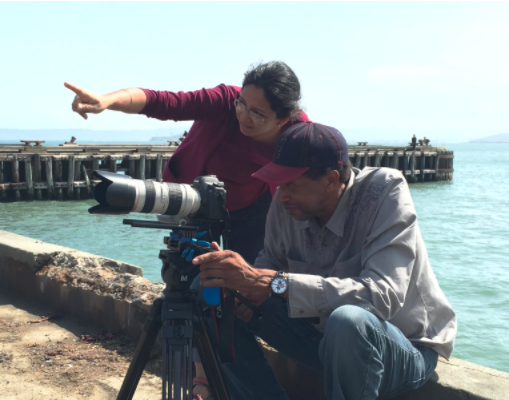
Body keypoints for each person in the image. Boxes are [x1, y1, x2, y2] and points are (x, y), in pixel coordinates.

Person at [193, 122, 457, 400]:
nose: (281, 196)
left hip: (402, 348)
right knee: (212, 290)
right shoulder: (289, 204)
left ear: (331, 180)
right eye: (278, 184)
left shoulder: (385, 191)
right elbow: (268, 266)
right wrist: (239, 285)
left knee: (348, 321)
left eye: (292, 184)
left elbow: (382, 296)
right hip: (320, 338)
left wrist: (266, 282)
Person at [65, 61, 309, 264]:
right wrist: (107, 101)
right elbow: (163, 101)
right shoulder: (224, 100)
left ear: (283, 118)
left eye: (257, 114)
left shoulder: (299, 132)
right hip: (194, 198)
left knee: (247, 274)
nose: (244, 116)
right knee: (185, 270)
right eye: (242, 104)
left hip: (253, 206)